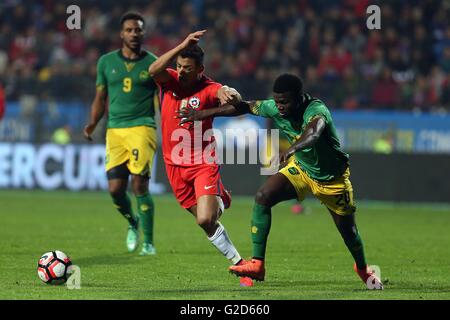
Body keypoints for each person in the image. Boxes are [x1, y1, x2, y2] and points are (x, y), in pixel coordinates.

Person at [179, 73, 383, 290]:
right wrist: (203, 114)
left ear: (299, 97)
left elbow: (313, 133)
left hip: (332, 180)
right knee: (263, 196)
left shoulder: (316, 110)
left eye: (285, 101)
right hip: (302, 170)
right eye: (277, 101)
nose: (280, 107)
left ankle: (362, 269)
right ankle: (257, 264)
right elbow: (245, 107)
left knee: (348, 232)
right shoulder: (274, 106)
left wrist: (292, 148)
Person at [148, 30, 253, 287]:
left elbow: (231, 98)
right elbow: (153, 69)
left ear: (200, 69)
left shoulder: (209, 88)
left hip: (202, 162)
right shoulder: (169, 81)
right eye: (180, 66)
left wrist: (230, 94)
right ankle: (222, 198)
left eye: (188, 68)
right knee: (207, 222)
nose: (182, 71)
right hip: (173, 164)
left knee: (205, 219)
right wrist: (182, 44)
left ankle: (241, 265)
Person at [84, 13, 158, 256]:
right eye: (129, 30)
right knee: (116, 189)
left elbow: (163, 99)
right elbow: (100, 97)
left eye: (138, 30)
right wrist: (93, 123)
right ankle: (133, 222)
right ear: (121, 33)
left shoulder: (153, 63)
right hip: (114, 130)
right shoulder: (106, 62)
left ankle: (148, 242)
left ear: (143, 33)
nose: (134, 34)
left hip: (142, 127)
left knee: (139, 184)